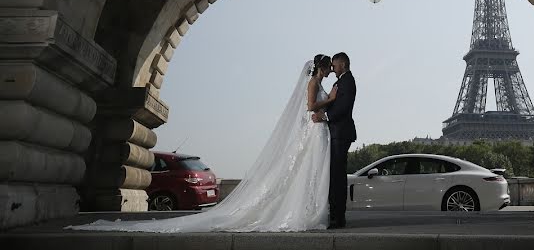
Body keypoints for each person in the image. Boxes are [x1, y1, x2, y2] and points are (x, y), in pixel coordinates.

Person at [68, 54, 336, 232]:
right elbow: (311, 106)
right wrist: (331, 100)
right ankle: (305, 211)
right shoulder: (313, 83)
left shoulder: (314, 81)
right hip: (313, 133)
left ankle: (310, 209)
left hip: (315, 131)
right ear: (320, 68)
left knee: (307, 174)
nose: (328, 72)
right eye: (327, 68)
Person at [312, 52, 356, 229]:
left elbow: (343, 107)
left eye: (335, 65)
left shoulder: (347, 81)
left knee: (337, 176)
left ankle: (338, 217)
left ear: (343, 65)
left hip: (341, 133)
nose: (332, 68)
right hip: (337, 132)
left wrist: (325, 116)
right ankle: (336, 214)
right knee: (334, 175)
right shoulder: (341, 81)